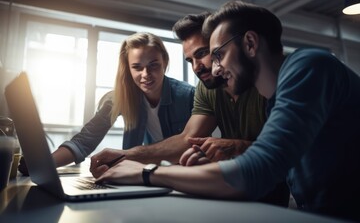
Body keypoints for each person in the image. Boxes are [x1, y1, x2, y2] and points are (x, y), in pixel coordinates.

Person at [94, 1, 360, 221]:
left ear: (251, 44)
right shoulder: (274, 97)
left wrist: (146, 174)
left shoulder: (308, 66)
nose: (214, 68)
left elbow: (256, 170)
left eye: (217, 54)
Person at [91, 12, 289, 207]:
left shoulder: (282, 77)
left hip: (274, 195)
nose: (197, 67)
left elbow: (281, 152)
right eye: (190, 60)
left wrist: (237, 146)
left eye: (204, 53)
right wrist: (125, 157)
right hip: (238, 193)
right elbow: (187, 139)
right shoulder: (207, 87)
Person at [47, 32, 195, 167]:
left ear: (165, 62)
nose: (146, 74)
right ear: (128, 69)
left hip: (183, 171)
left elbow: (193, 145)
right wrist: (46, 165)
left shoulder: (187, 95)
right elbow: (85, 140)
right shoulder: (121, 98)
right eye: (137, 67)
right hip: (148, 172)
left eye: (153, 65)